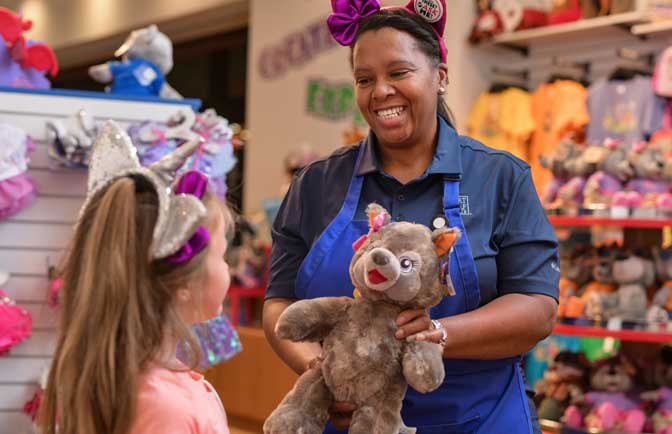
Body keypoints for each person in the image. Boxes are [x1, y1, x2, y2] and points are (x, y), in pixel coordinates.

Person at [263, 1, 560, 433]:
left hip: (478, 418)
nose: (380, 90)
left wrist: (437, 332)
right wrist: (325, 374)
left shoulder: (500, 177)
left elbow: (537, 309)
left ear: (439, 77)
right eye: (365, 79)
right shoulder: (316, 185)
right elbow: (279, 303)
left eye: (398, 73)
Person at [37, 122, 232, 434]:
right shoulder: (165, 408)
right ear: (184, 283)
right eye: (222, 256)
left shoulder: (149, 385)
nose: (228, 270)